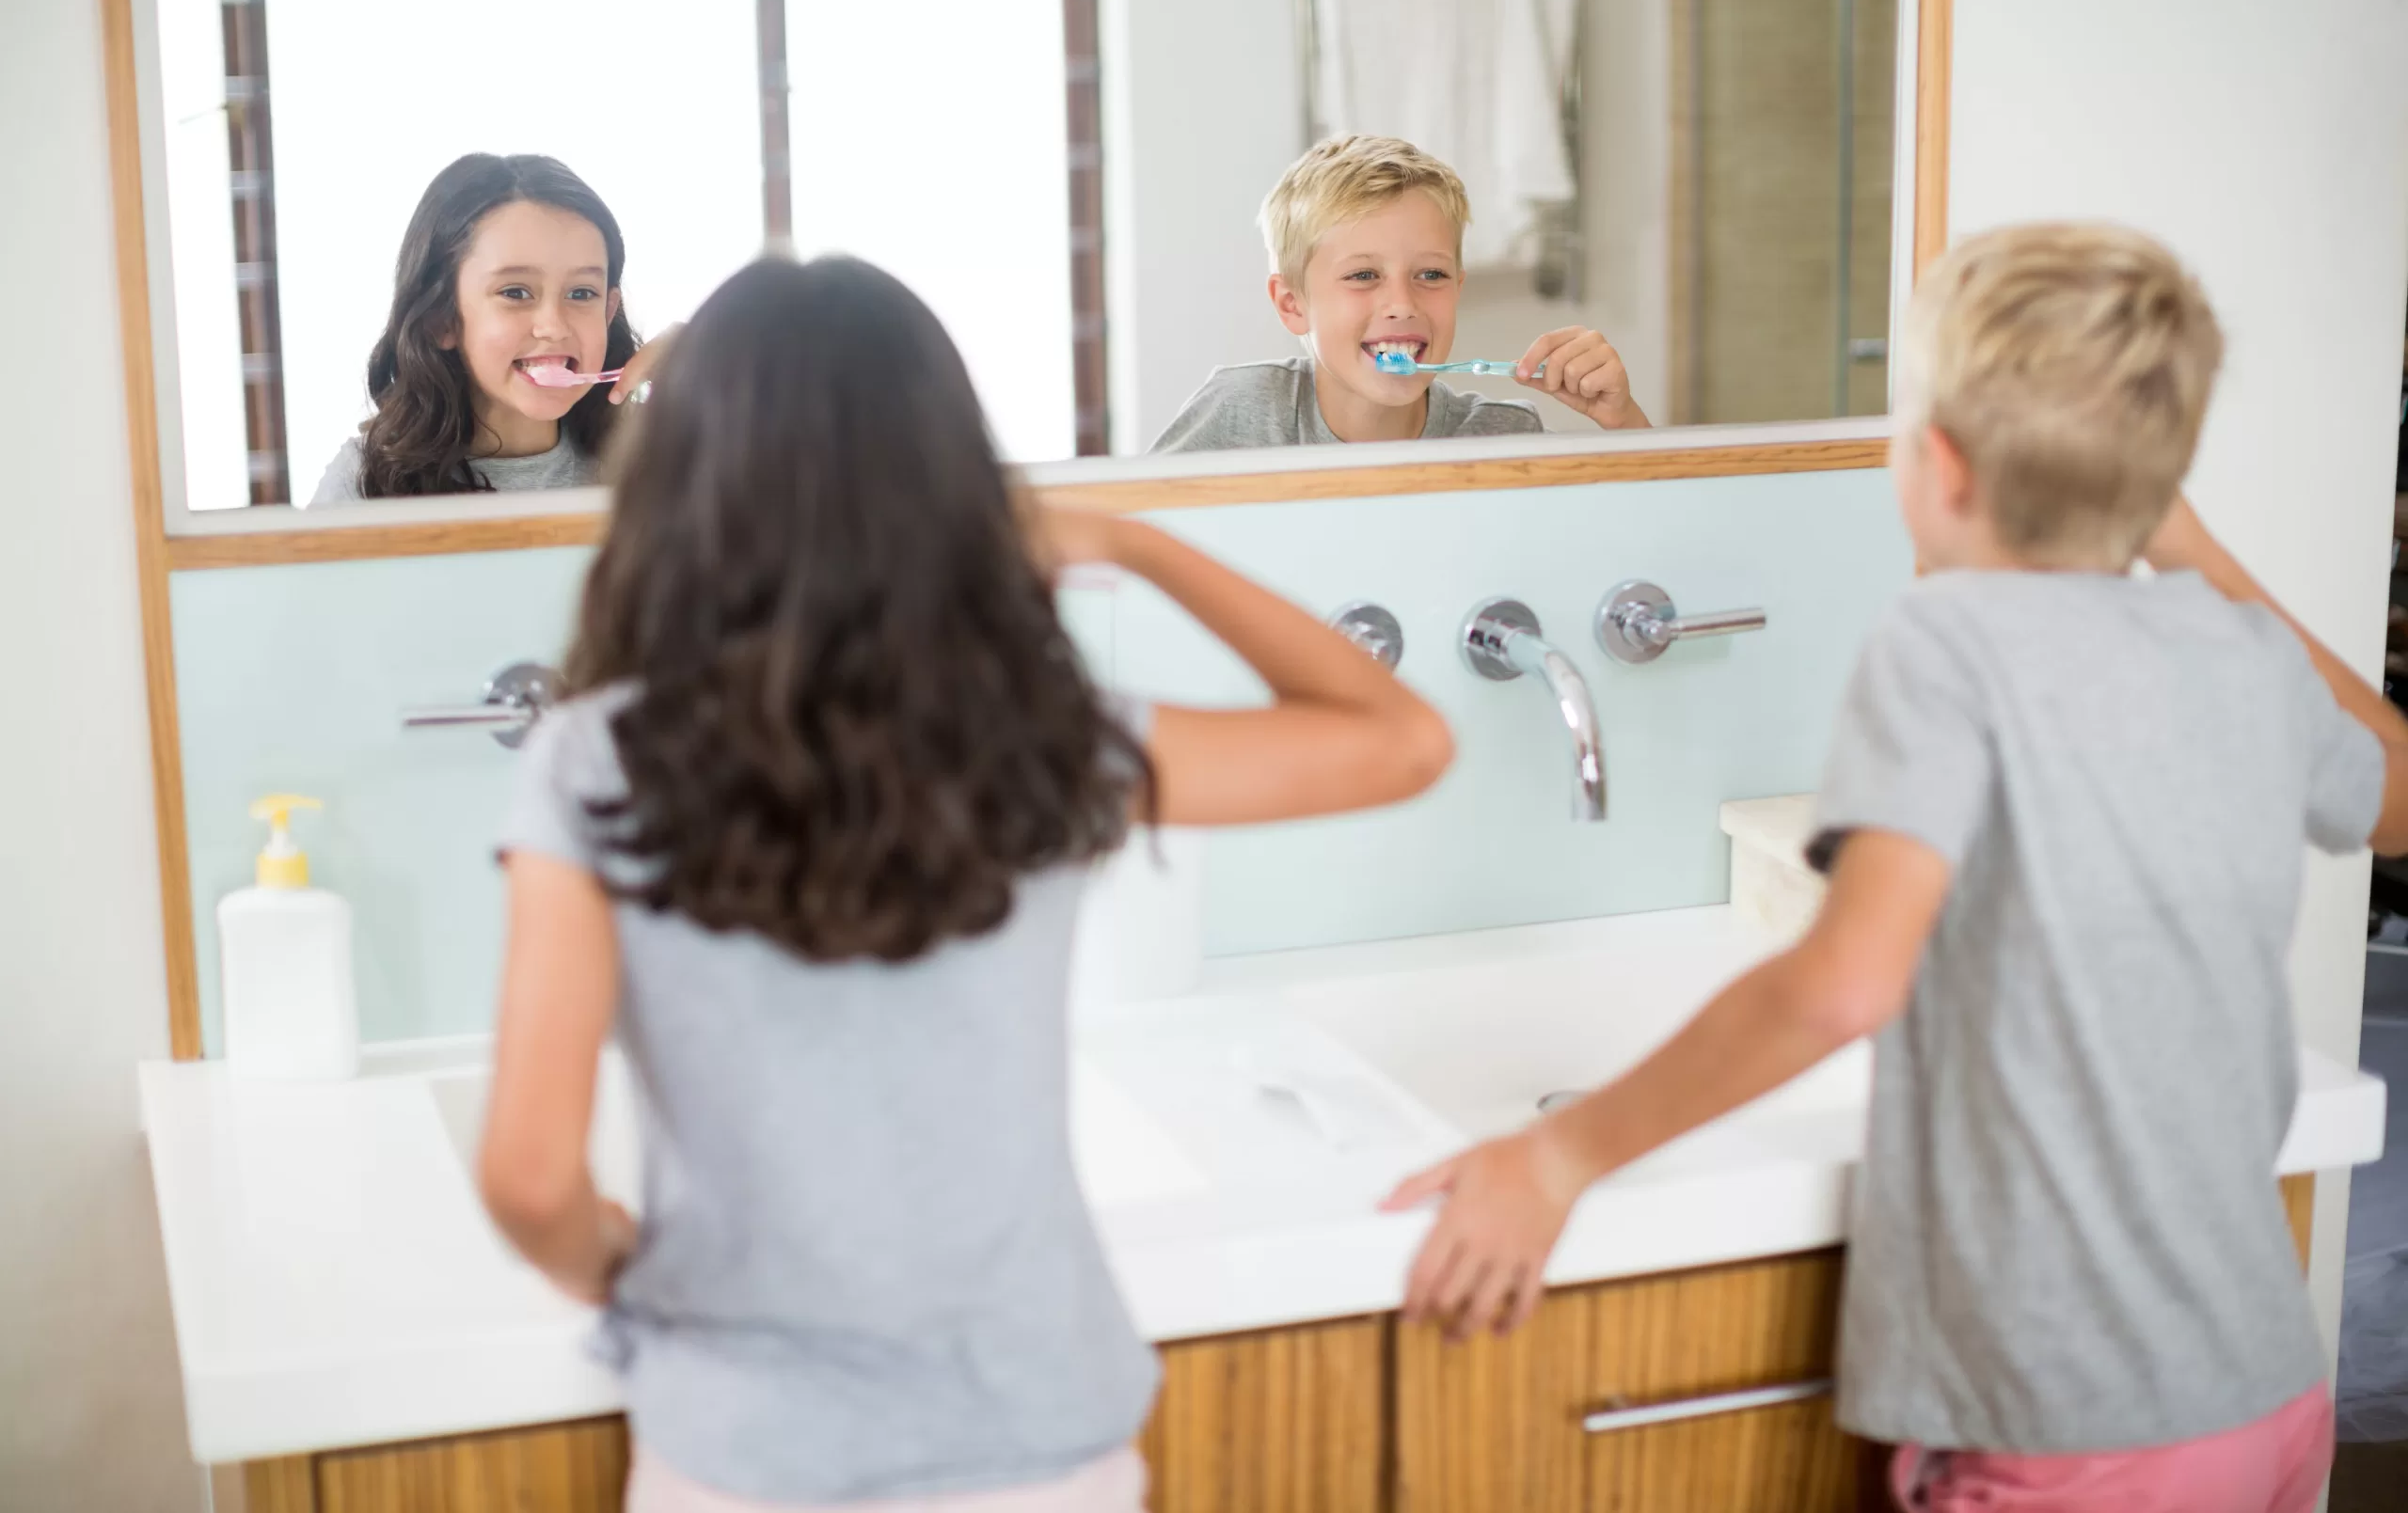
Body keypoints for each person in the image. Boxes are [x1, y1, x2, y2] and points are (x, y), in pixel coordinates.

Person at [1384, 222, 2408, 1513]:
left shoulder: (1948, 644)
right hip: (2265, 1391)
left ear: (1933, 461)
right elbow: (2397, 798)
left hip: (2063, 1421)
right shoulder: (2244, 652)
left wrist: (1557, 1157)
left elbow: (1841, 983)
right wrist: (2192, 549)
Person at [476, 254, 1452, 1511]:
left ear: (679, 484)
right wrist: (1133, 543)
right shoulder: (1040, 734)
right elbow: (1403, 739)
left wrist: (623, 1264)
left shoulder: (593, 758)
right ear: (945, 478)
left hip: (743, 1454)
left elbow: (528, 1176)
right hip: (1040, 1447)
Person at [1149, 134, 1652, 454]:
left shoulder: (1499, 438)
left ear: (1458, 285)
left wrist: (1622, 420)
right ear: (1292, 303)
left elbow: (1650, 549)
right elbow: (1128, 548)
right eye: (1364, 276)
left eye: (1430, 275)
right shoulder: (1244, 416)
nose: (1402, 304)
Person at [309, 152, 639, 503]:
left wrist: (698, 379)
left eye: (581, 293)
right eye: (515, 292)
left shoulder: (650, 468)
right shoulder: (362, 484)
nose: (554, 326)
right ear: (441, 317)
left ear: (608, 311)